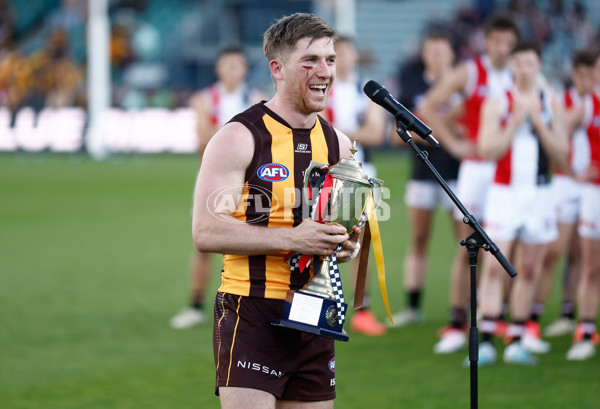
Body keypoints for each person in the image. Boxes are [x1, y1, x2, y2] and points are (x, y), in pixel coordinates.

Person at [192, 13, 360, 408]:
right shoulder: (238, 136)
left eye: (330, 60)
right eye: (311, 61)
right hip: (251, 309)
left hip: (315, 313)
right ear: (277, 69)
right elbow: (205, 232)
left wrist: (345, 241)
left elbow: (339, 226)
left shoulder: (339, 144)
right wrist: (292, 237)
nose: (325, 72)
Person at [420, 14, 519, 354]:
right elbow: (430, 106)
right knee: (469, 246)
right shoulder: (471, 71)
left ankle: (496, 317)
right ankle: (456, 321)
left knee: (504, 246)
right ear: (487, 40)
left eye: (509, 42)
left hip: (509, 173)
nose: (503, 48)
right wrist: (453, 143)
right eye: (498, 40)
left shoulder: (519, 74)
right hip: (477, 171)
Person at [472, 41, 568, 366]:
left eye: (530, 63)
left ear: (539, 65)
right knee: (495, 267)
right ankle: (485, 339)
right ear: (512, 66)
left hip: (539, 194)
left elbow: (562, 152)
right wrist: (515, 122)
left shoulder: (550, 102)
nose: (525, 69)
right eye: (520, 63)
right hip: (505, 193)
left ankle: (517, 338)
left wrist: (539, 122)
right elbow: (487, 149)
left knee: (529, 267)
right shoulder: (498, 102)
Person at [170, 45, 264, 329]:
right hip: (211, 181)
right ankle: (196, 304)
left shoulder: (257, 98)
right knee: (204, 243)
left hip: (250, 182)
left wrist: (224, 133)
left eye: (237, 65)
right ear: (218, 69)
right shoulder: (204, 99)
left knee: (252, 240)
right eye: (227, 65)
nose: (232, 71)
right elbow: (201, 138)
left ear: (245, 69)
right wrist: (241, 134)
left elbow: (260, 139)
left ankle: (252, 303)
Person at [387, 28, 462, 330]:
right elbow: (396, 137)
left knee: (465, 242)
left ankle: (468, 306)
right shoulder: (412, 87)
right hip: (421, 174)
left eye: (441, 51)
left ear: (452, 54)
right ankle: (413, 306)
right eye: (431, 50)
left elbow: (471, 131)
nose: (436, 56)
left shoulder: (462, 86)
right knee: (418, 240)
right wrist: (444, 132)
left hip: (458, 175)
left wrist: (431, 132)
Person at [321, 35, 387, 336]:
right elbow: (318, 129)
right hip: (328, 173)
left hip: (363, 173)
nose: (344, 57)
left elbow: (376, 134)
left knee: (363, 241)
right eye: (338, 52)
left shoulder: (367, 90)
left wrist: (339, 131)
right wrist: (356, 133)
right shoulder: (323, 88)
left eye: (348, 51)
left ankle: (362, 309)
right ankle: (323, 305)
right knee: (324, 239)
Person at [529, 50, 596, 339]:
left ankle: (571, 313)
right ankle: (533, 314)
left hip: (592, 185)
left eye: (592, 74)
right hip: (566, 183)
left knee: (583, 255)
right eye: (583, 74)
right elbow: (558, 139)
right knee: (553, 251)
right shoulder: (564, 102)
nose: (587, 80)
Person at [564, 60, 600, 361]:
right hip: (594, 193)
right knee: (591, 267)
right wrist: (571, 171)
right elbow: (557, 133)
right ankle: (585, 332)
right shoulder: (590, 104)